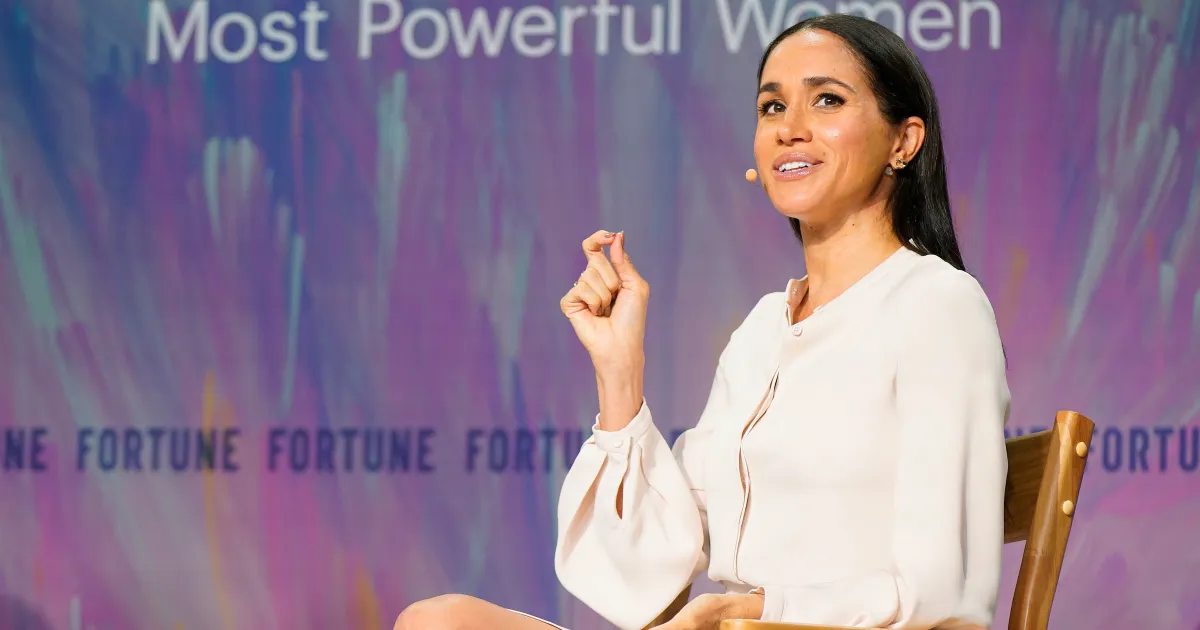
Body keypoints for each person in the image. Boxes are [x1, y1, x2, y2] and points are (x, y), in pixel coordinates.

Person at [395, 13, 1009, 630]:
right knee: (440, 621)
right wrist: (619, 373)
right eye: (772, 108)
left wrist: (754, 610)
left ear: (904, 141)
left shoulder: (938, 306)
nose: (790, 128)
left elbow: (946, 591)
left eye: (827, 100)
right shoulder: (762, 331)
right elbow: (647, 584)